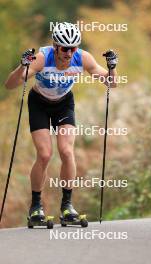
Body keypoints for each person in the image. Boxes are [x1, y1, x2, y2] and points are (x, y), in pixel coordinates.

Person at [5, 22, 117, 222]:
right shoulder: (42, 59)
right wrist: (22, 66)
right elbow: (10, 85)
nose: (69, 53)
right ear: (55, 46)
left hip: (64, 104)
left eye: (73, 48)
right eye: (65, 48)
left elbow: (111, 83)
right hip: (39, 103)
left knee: (66, 151)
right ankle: (36, 207)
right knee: (45, 154)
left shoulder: (82, 58)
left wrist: (112, 68)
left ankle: (67, 207)